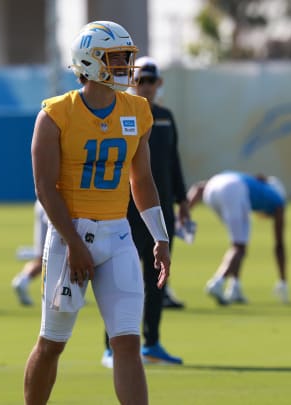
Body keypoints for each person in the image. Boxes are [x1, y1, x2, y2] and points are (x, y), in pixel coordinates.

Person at [24, 21, 171, 405]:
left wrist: (159, 235)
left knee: (127, 342)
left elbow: (142, 181)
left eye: (126, 58)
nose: (125, 66)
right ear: (90, 62)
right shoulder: (56, 114)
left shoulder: (138, 110)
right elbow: (45, 188)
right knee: (53, 341)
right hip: (69, 234)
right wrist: (73, 243)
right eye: (117, 58)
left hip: (118, 234)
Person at [101, 56, 189, 369]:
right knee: (122, 278)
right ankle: (111, 346)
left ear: (159, 84)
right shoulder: (121, 114)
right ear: (132, 81)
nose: (147, 86)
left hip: (160, 211)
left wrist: (183, 202)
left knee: (156, 279)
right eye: (141, 80)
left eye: (152, 81)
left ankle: (152, 343)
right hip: (126, 210)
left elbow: (173, 163)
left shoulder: (164, 117)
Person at [187, 172, 289, 305]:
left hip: (212, 190)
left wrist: (184, 213)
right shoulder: (278, 201)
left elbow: (199, 188)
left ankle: (234, 287)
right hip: (233, 191)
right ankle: (217, 282)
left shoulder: (254, 184)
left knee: (238, 243)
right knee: (239, 246)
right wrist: (283, 280)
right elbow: (279, 244)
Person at [11, 200, 48, 306]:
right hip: (61, 203)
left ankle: (23, 280)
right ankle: (70, 292)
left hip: (42, 201)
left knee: (42, 257)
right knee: (64, 253)